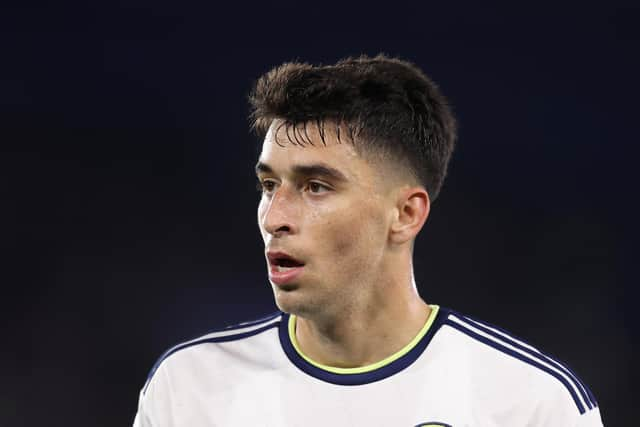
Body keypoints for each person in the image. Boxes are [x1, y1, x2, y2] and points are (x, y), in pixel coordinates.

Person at [133, 54, 604, 427]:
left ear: (405, 213)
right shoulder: (190, 388)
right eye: (269, 185)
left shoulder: (531, 405)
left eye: (316, 186)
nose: (274, 218)